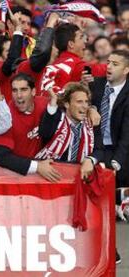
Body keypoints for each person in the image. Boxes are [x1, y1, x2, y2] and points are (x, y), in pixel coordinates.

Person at [80, 50, 129, 265]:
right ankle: (107, 247)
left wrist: (116, 163)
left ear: (126, 70)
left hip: (122, 151)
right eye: (108, 62)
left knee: (108, 193)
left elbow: (127, 135)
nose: (109, 66)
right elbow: (79, 102)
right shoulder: (96, 86)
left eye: (115, 64)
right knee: (99, 198)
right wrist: (90, 106)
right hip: (97, 148)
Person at [0, 73, 61, 182]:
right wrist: (37, 167)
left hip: (45, 173)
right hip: (15, 176)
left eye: (23, 89)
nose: (19, 95)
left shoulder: (45, 104)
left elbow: (71, 106)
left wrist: (92, 109)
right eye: (15, 90)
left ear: (33, 91)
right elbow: (2, 157)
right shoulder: (6, 116)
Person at [40, 23, 107, 95]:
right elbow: (106, 69)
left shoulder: (56, 63)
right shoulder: (75, 64)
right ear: (71, 44)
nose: (85, 41)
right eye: (81, 37)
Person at [37, 82, 94, 163]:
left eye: (86, 102)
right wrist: (53, 103)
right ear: (67, 104)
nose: (85, 106)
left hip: (79, 173)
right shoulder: (57, 119)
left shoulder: (91, 122)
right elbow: (45, 133)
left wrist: (91, 160)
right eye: (79, 102)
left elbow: (99, 150)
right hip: (52, 171)